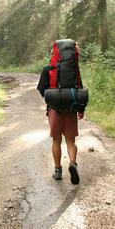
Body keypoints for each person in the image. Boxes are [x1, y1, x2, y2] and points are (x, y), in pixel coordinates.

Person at [37, 39, 84, 185]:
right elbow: (79, 87)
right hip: (71, 107)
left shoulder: (48, 69)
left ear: (55, 54)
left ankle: (57, 171)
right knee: (71, 141)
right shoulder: (74, 68)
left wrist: (52, 96)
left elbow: (41, 89)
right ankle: (73, 163)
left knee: (56, 140)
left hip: (55, 108)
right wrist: (81, 109)